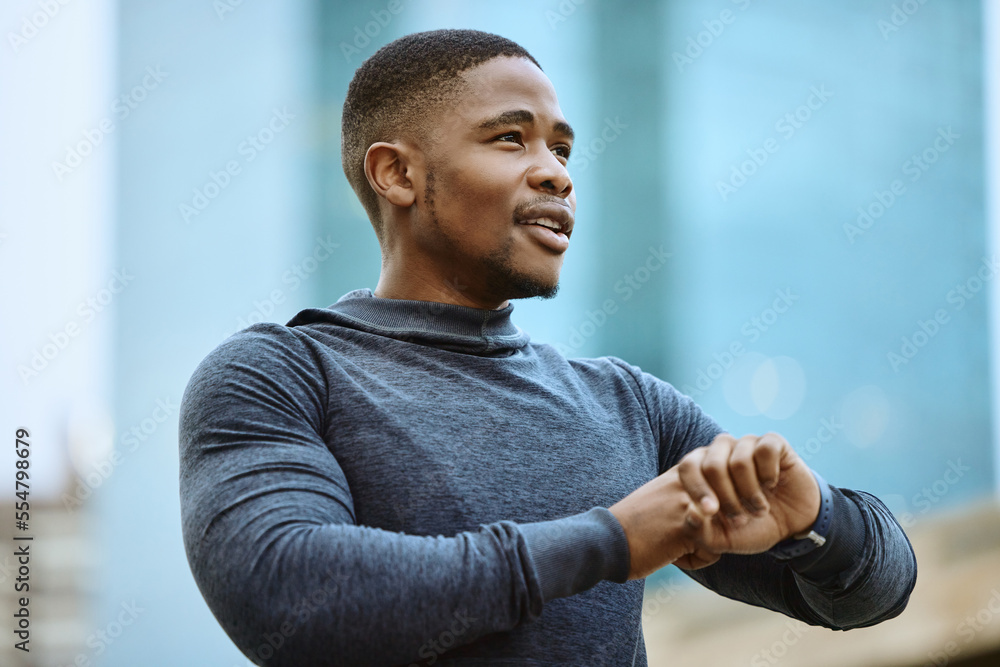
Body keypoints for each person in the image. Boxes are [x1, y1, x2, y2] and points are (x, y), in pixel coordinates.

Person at [178, 28, 917, 667]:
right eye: (511, 137)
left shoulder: (629, 403)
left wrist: (815, 517)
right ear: (396, 173)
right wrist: (613, 539)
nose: (556, 172)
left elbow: (874, 594)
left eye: (562, 148)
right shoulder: (278, 374)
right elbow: (289, 596)